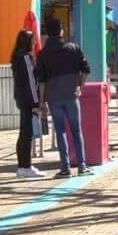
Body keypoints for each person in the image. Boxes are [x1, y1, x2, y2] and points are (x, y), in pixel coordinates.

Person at [35, 18, 92, 177]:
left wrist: (42, 102)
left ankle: (65, 168)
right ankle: (82, 166)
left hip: (53, 97)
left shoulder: (42, 54)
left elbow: (42, 81)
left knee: (60, 131)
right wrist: (80, 86)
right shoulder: (73, 48)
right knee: (76, 130)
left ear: (48, 33)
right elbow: (86, 69)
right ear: (61, 31)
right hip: (72, 94)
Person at [9, 29, 45, 179]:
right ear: (28, 42)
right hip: (28, 99)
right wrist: (37, 101)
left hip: (21, 97)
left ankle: (22, 166)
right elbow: (31, 81)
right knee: (27, 133)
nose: (35, 42)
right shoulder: (26, 57)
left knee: (23, 132)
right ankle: (26, 166)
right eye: (33, 39)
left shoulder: (16, 56)